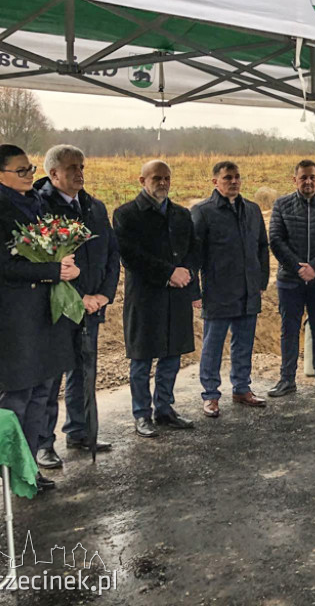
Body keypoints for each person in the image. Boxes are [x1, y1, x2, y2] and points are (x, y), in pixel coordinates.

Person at [0, 144, 78, 492]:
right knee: (18, 396)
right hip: (17, 317)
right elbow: (4, 265)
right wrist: (53, 269)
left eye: (30, 168)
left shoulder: (39, 204)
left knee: (43, 391)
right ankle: (11, 471)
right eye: (21, 171)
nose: (30, 175)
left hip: (45, 313)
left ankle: (30, 466)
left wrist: (65, 264)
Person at [33, 145, 119, 470]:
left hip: (92, 306)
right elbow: (42, 259)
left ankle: (80, 431)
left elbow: (112, 254)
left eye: (82, 166)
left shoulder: (94, 207)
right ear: (53, 173)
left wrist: (104, 295)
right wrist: (76, 297)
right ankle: (43, 443)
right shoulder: (39, 207)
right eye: (72, 168)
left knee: (84, 370)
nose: (80, 173)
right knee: (51, 376)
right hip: (58, 308)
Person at [113, 160, 200, 438]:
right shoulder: (126, 215)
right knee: (142, 359)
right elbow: (130, 256)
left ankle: (164, 409)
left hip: (176, 296)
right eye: (156, 178)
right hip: (146, 296)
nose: (162, 182)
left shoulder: (181, 215)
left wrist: (186, 272)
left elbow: (193, 249)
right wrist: (168, 273)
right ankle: (142, 414)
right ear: (142, 180)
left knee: (172, 355)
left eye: (166, 178)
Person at [192, 161, 270, 418]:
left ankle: (241, 388)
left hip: (248, 289)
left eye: (237, 177)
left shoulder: (252, 209)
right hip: (218, 290)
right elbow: (194, 254)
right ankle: (211, 395)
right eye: (227, 178)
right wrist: (195, 291)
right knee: (213, 344)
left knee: (244, 343)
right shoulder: (203, 212)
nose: (234, 182)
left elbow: (261, 247)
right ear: (215, 182)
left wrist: (261, 281)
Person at [268, 159, 315, 397]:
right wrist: (298, 268)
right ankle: (287, 379)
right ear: (295, 180)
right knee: (289, 329)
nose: (308, 181)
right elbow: (276, 240)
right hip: (290, 279)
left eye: (312, 177)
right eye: (303, 177)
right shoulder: (281, 205)